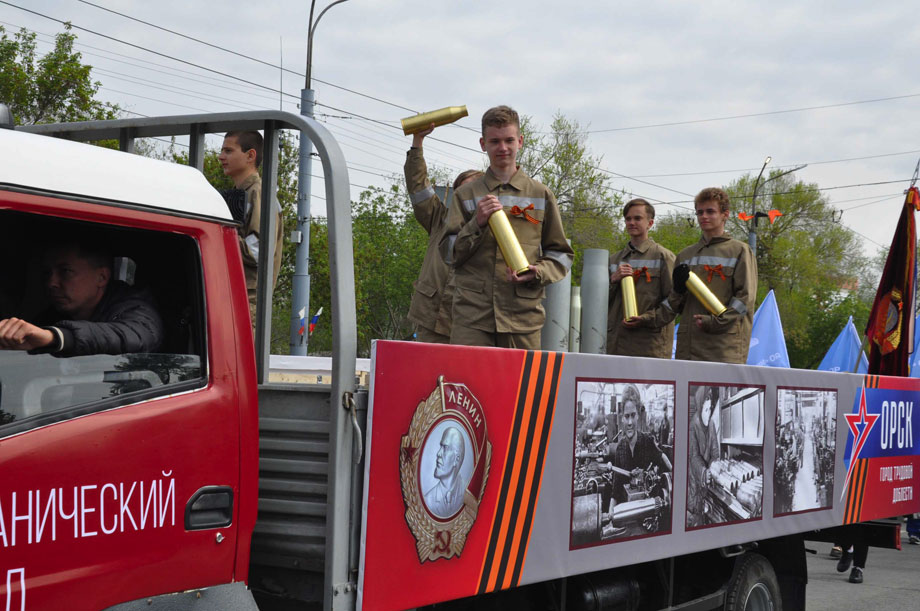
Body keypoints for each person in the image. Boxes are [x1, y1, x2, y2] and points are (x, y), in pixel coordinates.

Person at [440, 105, 573, 349]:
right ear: (483, 144)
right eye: (495, 141)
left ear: (520, 141)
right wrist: (476, 224)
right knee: (468, 385)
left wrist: (538, 272)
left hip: (522, 318)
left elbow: (561, 254)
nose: (503, 148)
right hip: (472, 320)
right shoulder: (465, 194)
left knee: (520, 387)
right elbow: (449, 253)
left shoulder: (541, 195)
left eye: (509, 140)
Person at [0, 241, 163, 356]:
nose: (51, 283)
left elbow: (137, 337)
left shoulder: (135, 308)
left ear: (102, 277)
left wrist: (55, 337)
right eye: (47, 273)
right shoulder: (51, 317)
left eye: (65, 271)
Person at [405, 125, 482, 343]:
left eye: (474, 191)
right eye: (462, 192)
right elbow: (418, 186)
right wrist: (417, 142)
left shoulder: (495, 231)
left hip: (470, 326)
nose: (468, 197)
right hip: (430, 318)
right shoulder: (440, 219)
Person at [665, 187, 757, 364]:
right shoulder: (685, 255)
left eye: (710, 211)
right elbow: (677, 305)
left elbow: (745, 299)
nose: (703, 216)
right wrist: (677, 290)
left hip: (723, 346)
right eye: (699, 212)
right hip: (688, 347)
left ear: (725, 214)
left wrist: (715, 322)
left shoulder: (740, 251)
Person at [218, 130, 283, 326]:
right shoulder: (243, 194)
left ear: (250, 155)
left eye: (228, 151)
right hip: (236, 295)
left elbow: (257, 252)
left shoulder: (259, 194)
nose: (221, 157)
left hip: (248, 300)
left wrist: (218, 232)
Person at [607, 198, 676, 358]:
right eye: (628, 219)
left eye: (637, 218)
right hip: (616, 345)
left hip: (650, 346)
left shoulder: (663, 257)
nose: (632, 222)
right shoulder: (613, 260)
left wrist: (646, 319)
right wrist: (613, 281)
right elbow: (599, 303)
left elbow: (675, 301)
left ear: (650, 223)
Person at [602, 385, 672, 508]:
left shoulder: (647, 441)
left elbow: (662, 457)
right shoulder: (620, 449)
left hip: (649, 512)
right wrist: (610, 516)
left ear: (638, 415)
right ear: (622, 418)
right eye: (626, 416)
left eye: (633, 415)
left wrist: (673, 473)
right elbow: (616, 490)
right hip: (628, 514)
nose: (630, 422)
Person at [688, 385, 721, 527]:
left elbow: (715, 452)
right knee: (695, 518)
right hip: (694, 484)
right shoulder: (693, 426)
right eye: (706, 410)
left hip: (706, 486)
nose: (708, 414)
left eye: (710, 409)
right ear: (700, 408)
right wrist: (704, 473)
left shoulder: (711, 424)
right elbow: (694, 456)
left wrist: (715, 466)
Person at [424, 426, 466, 518]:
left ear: (457, 459)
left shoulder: (467, 493)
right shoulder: (428, 500)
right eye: (440, 447)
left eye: (445, 448)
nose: (438, 453)